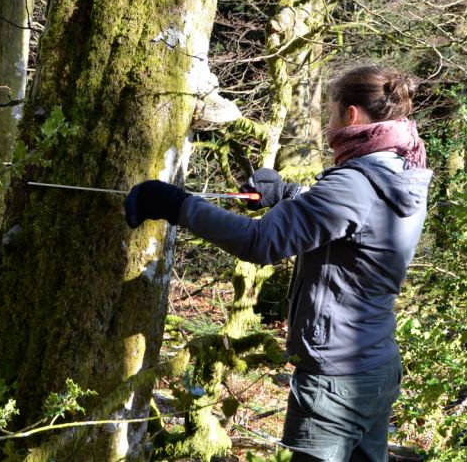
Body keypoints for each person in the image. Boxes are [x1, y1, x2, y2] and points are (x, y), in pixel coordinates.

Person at [125, 65, 433, 461]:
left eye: (331, 112)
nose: (328, 124)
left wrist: (176, 204)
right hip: (376, 365)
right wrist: (288, 193)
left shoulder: (354, 183)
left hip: (335, 379)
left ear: (352, 115)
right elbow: (352, 219)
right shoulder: (402, 171)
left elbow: (259, 242)